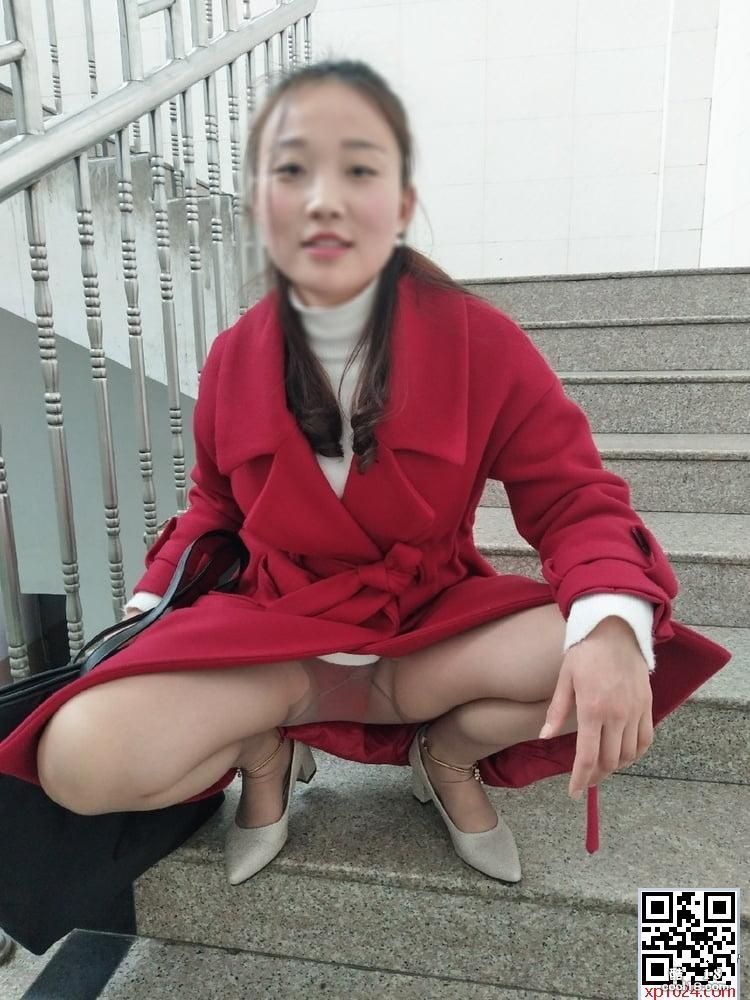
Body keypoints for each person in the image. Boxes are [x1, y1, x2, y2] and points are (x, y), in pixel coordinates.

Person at [0, 60, 731, 889]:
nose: (324, 200)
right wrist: (151, 605)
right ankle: (264, 753)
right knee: (79, 758)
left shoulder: (480, 342)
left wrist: (607, 628)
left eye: (357, 169)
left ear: (401, 201)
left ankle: (447, 756)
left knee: (626, 647)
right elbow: (214, 506)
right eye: (292, 172)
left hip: (426, 635)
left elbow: (573, 499)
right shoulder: (234, 355)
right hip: (277, 643)